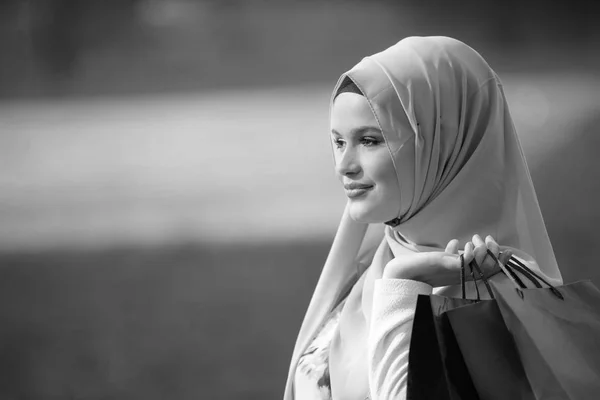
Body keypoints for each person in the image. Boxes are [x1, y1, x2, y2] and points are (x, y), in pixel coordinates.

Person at [283, 36, 563, 400]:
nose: (344, 167)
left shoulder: (502, 302)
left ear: (441, 142)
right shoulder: (367, 266)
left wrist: (401, 286)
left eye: (369, 140)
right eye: (338, 142)